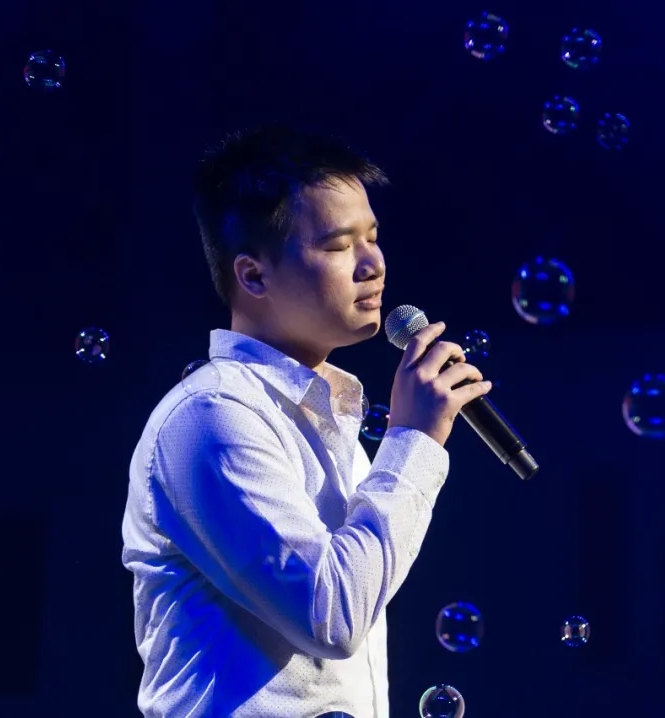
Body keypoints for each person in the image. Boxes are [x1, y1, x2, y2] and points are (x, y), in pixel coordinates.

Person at [121, 124, 492, 717]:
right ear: (253, 275)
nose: (373, 264)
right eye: (339, 246)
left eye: (373, 238)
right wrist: (414, 441)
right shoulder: (212, 416)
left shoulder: (331, 420)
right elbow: (331, 616)